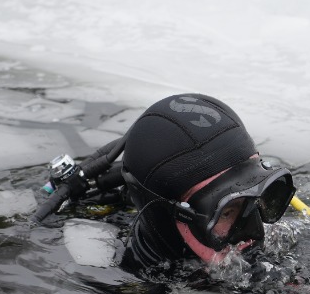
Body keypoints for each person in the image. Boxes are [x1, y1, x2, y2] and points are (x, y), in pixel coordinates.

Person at [118, 93, 296, 273]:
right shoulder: (121, 285)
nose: (257, 232)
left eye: (259, 197)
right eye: (226, 213)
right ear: (166, 222)